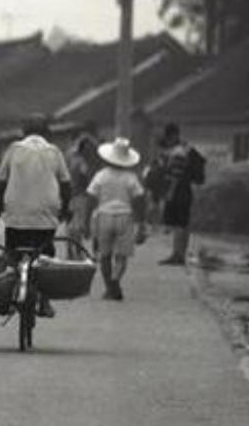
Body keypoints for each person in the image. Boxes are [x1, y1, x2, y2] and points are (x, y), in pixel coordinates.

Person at [0, 113, 72, 318]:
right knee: (45, 257)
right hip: (45, 216)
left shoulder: (14, 149)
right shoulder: (54, 152)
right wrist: (65, 209)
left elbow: (0, 182)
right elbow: (66, 184)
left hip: (15, 215)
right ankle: (44, 302)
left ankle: (4, 295)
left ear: (23, 132)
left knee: (11, 254)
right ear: (47, 133)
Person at [82, 137, 147, 300]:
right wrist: (142, 222)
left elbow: (90, 197)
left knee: (104, 255)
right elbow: (139, 199)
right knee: (121, 255)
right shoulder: (130, 177)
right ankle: (115, 280)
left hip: (104, 216)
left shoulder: (101, 176)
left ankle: (109, 287)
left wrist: (86, 220)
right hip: (125, 216)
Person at [144, 123, 206, 266]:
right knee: (181, 223)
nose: (167, 142)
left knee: (179, 223)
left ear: (173, 136)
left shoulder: (178, 152)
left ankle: (177, 255)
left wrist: (169, 193)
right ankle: (179, 254)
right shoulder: (187, 149)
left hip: (179, 190)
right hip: (185, 190)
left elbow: (175, 176)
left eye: (168, 138)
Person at [64, 129, 101, 260]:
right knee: (79, 225)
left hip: (70, 194)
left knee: (72, 225)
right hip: (81, 195)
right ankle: (77, 251)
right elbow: (85, 177)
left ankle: (71, 251)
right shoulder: (81, 162)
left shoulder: (70, 157)